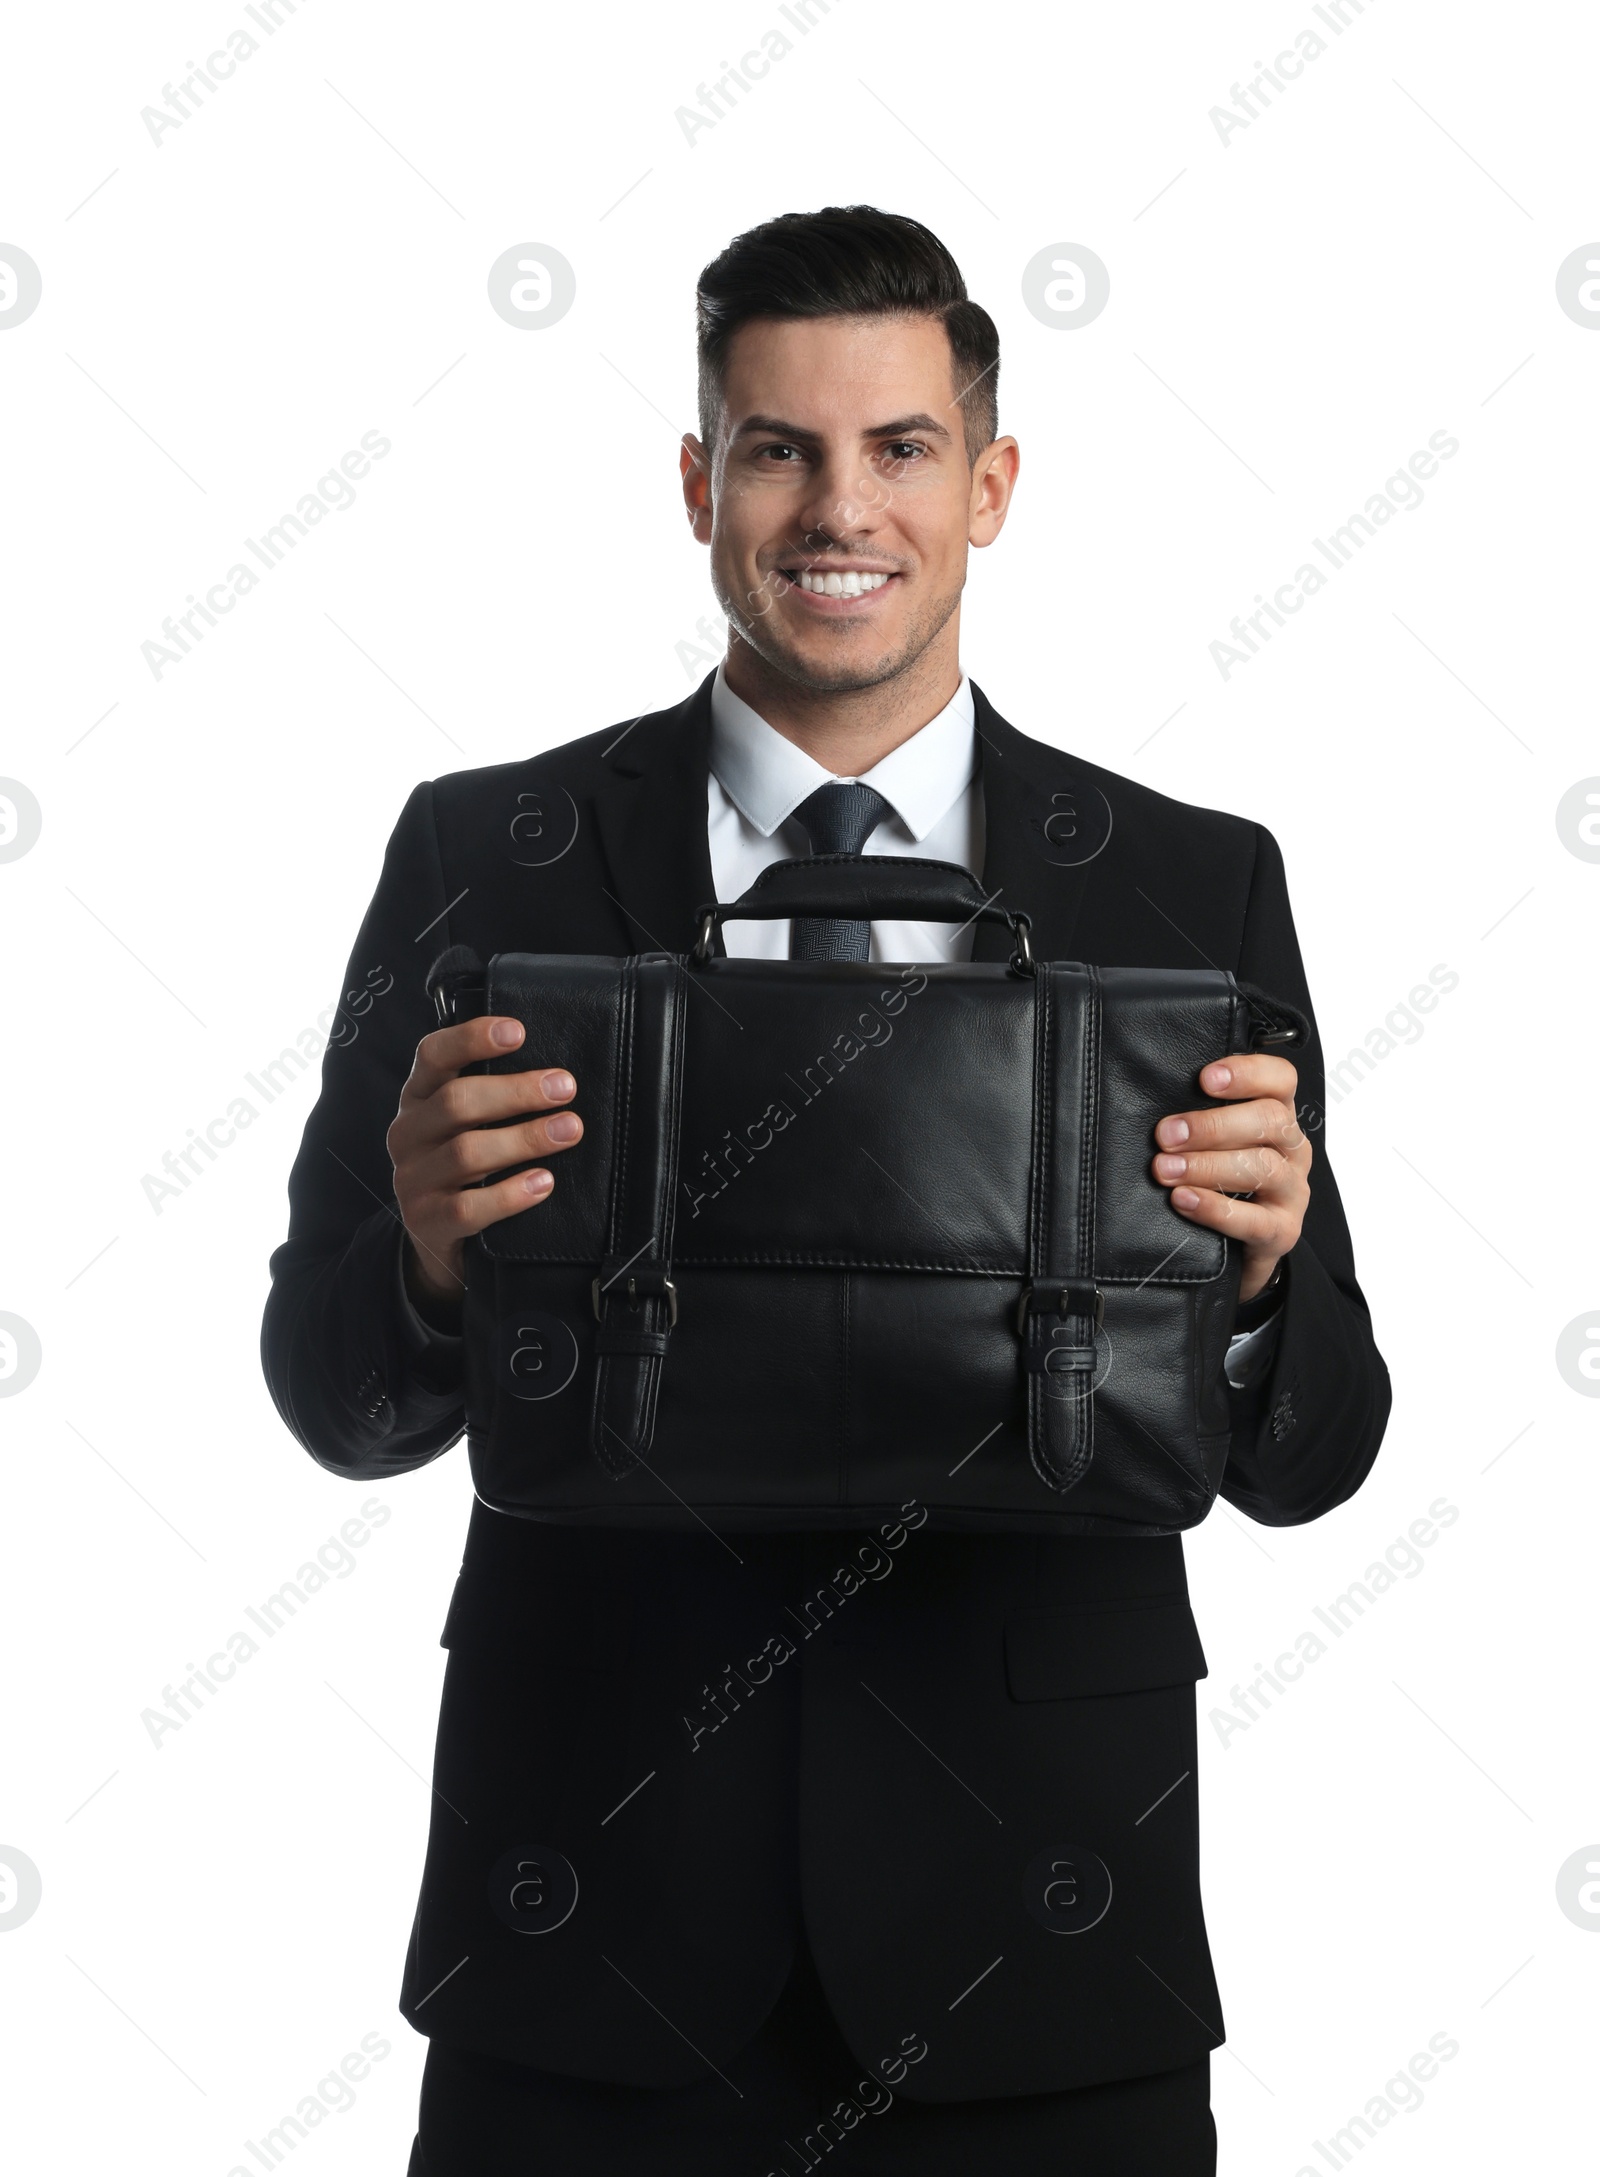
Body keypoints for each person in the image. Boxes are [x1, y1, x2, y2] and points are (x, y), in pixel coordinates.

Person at [262, 204, 1390, 2175]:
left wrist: (1267, 1281)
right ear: (699, 483)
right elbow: (332, 1397)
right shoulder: (491, 852)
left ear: (990, 483)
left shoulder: (1185, 880)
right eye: (775, 448)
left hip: (1043, 1932)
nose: (832, 508)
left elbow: (1310, 1456)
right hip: (589, 1930)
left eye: (896, 448)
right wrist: (432, 1268)